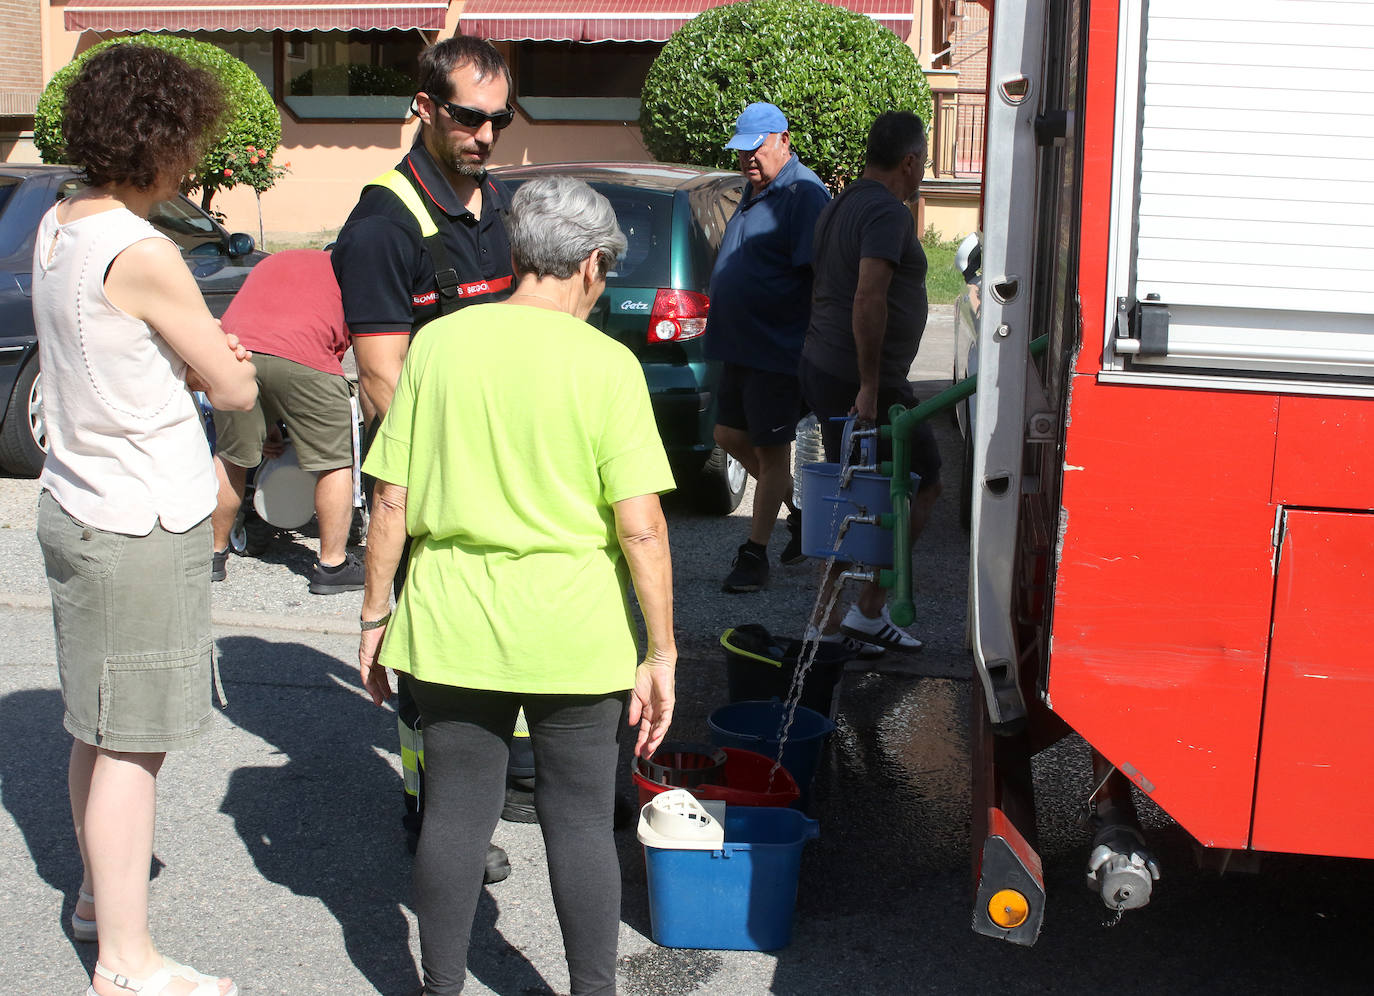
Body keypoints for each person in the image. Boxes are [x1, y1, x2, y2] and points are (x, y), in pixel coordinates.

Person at [358, 175, 676, 996]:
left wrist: (374, 612)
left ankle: (442, 984)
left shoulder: (439, 343)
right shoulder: (609, 365)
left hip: (452, 621)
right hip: (576, 631)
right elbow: (640, 525)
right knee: (578, 821)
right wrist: (662, 650)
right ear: (593, 266)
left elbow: (390, 496)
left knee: (455, 812)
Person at [32, 44, 257, 996]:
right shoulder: (144, 246)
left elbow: (138, 348)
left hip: (79, 500)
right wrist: (221, 359)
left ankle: (97, 902)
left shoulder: (60, 220)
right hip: (138, 516)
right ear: (162, 141)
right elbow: (238, 386)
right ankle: (125, 962)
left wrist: (194, 355)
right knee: (132, 742)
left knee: (98, 723)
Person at [331, 35, 519, 873]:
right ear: (425, 108)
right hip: (435, 485)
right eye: (468, 117)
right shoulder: (380, 226)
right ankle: (433, 817)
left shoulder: (496, 209)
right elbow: (382, 385)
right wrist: (444, 491)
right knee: (433, 668)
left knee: (498, 646)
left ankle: (478, 792)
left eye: (498, 119)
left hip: (504, 474)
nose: (484, 135)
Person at [800, 111, 941, 655]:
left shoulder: (841, 203)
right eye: (923, 162)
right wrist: (869, 385)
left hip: (828, 366)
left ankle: (839, 618)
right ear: (909, 161)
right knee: (920, 482)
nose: (922, 171)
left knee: (853, 489)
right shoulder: (888, 212)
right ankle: (848, 618)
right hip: (862, 378)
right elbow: (867, 296)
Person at [706, 102, 831, 593]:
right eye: (741, 152)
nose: (747, 160)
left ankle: (754, 555)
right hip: (743, 346)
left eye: (754, 149)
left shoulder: (803, 193)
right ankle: (801, 514)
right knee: (726, 435)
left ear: (781, 138)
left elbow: (819, 277)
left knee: (771, 450)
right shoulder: (760, 189)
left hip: (778, 348)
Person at [209, 249, 364, 595]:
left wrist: (272, 425)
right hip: (303, 355)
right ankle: (332, 566)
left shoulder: (277, 260)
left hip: (234, 353)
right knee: (333, 461)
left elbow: (265, 332)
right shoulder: (352, 274)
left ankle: (214, 556)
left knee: (231, 455)